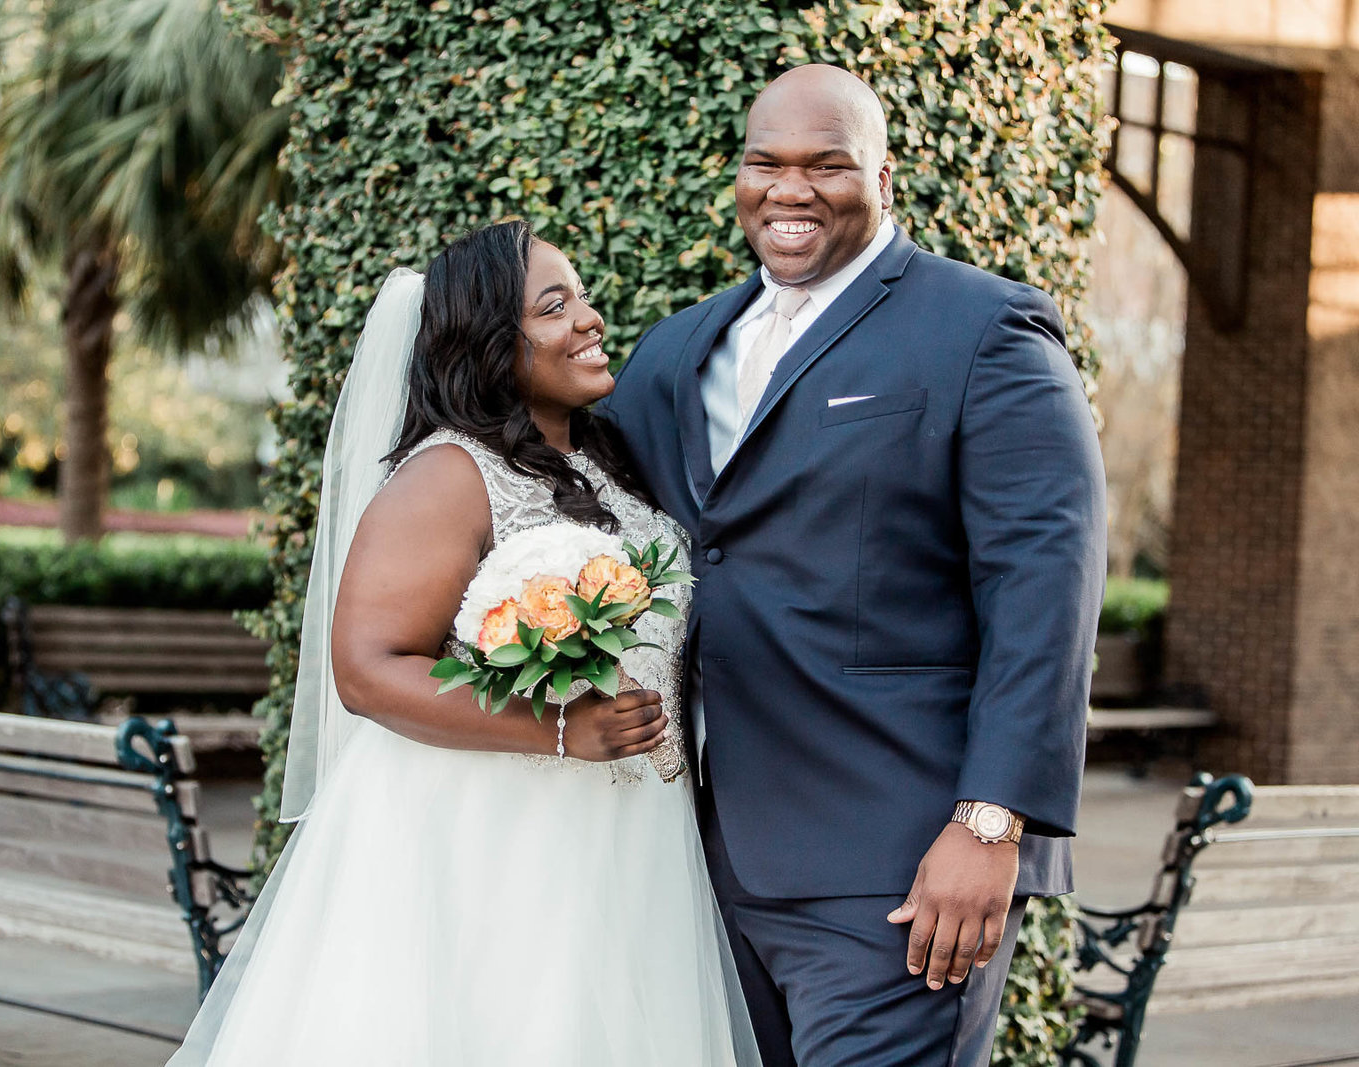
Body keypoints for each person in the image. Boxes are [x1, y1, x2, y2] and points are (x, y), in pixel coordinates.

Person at [596, 64, 1107, 1066]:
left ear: (883, 172)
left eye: (826, 163)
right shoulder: (674, 351)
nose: (789, 190)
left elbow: (1044, 582)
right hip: (696, 858)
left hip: (899, 863)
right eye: (764, 164)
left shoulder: (983, 329)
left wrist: (993, 821)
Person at [166, 221, 759, 1066]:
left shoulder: (606, 460)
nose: (590, 319)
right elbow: (367, 671)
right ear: (487, 342)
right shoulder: (448, 474)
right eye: (555, 306)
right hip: (499, 837)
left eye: (582, 296)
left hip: (633, 832)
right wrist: (559, 730)